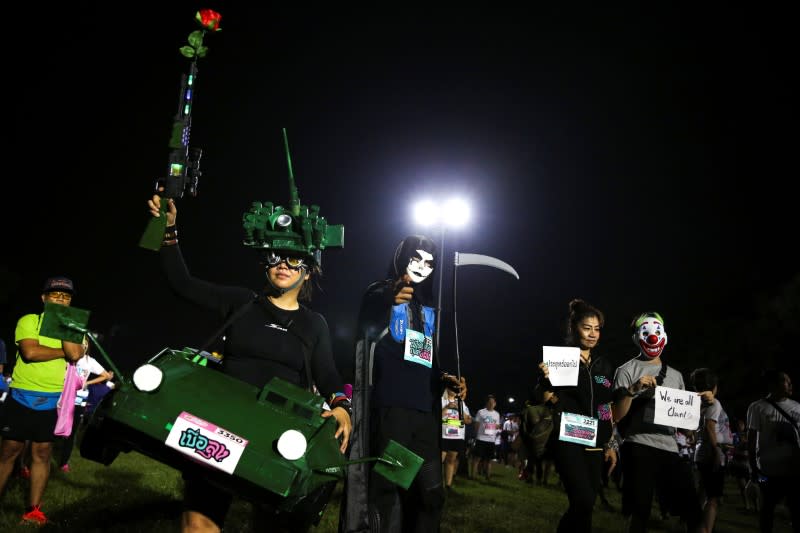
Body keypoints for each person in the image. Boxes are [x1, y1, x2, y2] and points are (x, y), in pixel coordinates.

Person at [147, 194, 352, 533]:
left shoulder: (314, 324)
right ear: (264, 261)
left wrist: (342, 405)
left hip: (278, 436)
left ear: (310, 267)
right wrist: (168, 229)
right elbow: (182, 284)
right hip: (222, 423)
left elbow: (328, 373)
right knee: (197, 524)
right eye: (275, 256)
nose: (283, 265)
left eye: (293, 258)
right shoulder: (242, 302)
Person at [343, 234, 466, 533]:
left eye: (430, 263)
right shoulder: (380, 293)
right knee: (385, 492)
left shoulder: (428, 309)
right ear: (401, 259)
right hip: (391, 413)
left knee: (431, 494)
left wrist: (445, 379)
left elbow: (424, 361)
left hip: (424, 417)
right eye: (416, 259)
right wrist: (391, 293)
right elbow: (371, 311)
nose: (423, 266)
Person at [0, 276, 85, 525]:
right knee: (9, 452)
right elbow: (30, 352)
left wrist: (66, 326)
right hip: (22, 396)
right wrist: (64, 352)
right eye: (55, 295)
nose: (60, 299)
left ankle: (33, 510)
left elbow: (76, 355)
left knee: (42, 453)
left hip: (52, 401)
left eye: (66, 296)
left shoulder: (73, 326)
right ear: (44, 298)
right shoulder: (30, 320)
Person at [611, 311, 705, 533]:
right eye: (646, 331)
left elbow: (684, 424)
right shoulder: (626, 370)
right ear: (636, 337)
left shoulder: (676, 375)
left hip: (670, 448)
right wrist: (632, 391)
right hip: (638, 446)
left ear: (664, 335)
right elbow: (615, 415)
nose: (652, 337)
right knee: (639, 510)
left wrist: (699, 411)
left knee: (692, 509)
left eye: (657, 331)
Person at [537, 299, 618, 533]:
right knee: (582, 499)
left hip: (595, 442)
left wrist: (610, 442)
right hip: (568, 439)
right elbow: (544, 398)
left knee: (587, 505)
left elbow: (605, 407)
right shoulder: (561, 359)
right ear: (574, 328)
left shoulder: (604, 366)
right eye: (587, 328)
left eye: (597, 329)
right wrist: (545, 380)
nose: (593, 334)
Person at [746, 368, 799, 533]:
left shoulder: (797, 407)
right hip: (767, 472)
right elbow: (752, 440)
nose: (790, 385)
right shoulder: (757, 407)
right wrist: (753, 468)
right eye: (786, 381)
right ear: (773, 385)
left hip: (794, 471)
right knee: (767, 511)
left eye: (790, 382)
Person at [56, 335, 114, 473]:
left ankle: (63, 462)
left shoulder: (90, 361)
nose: (83, 345)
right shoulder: (67, 356)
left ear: (88, 346)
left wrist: (87, 382)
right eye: (80, 342)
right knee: (50, 427)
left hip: (78, 398)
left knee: (72, 431)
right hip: (61, 395)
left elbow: (106, 375)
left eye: (86, 343)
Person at [689, 367, 733, 533]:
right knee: (713, 499)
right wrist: (716, 453)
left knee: (702, 494)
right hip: (710, 454)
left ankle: (695, 525)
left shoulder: (699, 404)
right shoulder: (714, 402)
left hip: (701, 454)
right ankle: (705, 529)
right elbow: (709, 426)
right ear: (714, 385)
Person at [519, 386, 558, 486]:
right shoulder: (534, 404)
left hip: (548, 438)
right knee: (533, 459)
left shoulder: (553, 405)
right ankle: (531, 477)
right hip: (534, 437)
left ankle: (541, 479)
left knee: (541, 461)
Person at [440, 384, 472, 492]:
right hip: (443, 435)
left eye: (455, 388)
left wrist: (460, 410)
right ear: (447, 388)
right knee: (439, 460)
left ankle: (448, 485)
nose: (453, 390)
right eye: (451, 387)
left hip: (457, 436)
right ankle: (436, 484)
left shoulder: (461, 403)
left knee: (451, 460)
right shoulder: (441, 400)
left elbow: (468, 421)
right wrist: (447, 407)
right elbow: (435, 417)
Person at [470, 394, 501, 482]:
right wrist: (476, 435)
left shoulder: (496, 414)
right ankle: (473, 476)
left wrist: (495, 425)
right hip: (481, 438)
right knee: (476, 458)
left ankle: (488, 476)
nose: (491, 404)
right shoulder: (481, 412)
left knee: (489, 459)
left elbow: (498, 425)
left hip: (491, 439)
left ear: (495, 404)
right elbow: (476, 424)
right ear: (486, 403)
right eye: (489, 402)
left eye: (493, 402)